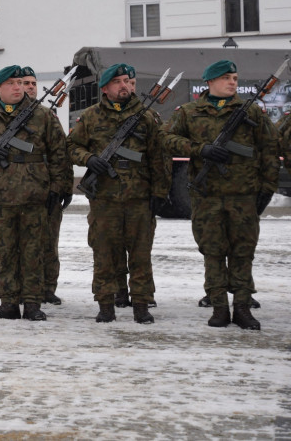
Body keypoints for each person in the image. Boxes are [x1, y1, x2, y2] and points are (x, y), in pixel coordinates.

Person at [162, 60, 279, 330]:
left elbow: (270, 149)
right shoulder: (189, 112)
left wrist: (266, 189)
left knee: (243, 253)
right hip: (207, 196)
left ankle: (242, 307)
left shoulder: (252, 112)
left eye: (235, 78)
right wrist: (200, 149)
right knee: (212, 252)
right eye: (226, 78)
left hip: (243, 195)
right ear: (210, 82)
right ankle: (218, 307)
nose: (233, 82)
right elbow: (166, 140)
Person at [0, 65, 70, 321]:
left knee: (33, 251)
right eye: (12, 83)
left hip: (35, 195)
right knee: (4, 251)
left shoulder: (42, 115)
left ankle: (32, 303)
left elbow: (59, 153)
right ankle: (8, 302)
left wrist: (58, 188)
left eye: (21, 83)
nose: (18, 88)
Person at [67, 63, 170, 324]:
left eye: (129, 81)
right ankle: (105, 304)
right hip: (104, 198)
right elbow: (71, 147)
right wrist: (89, 159)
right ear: (106, 87)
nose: (126, 86)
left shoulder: (148, 116)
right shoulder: (90, 117)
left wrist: (160, 192)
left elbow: (160, 157)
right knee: (104, 254)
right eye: (119, 82)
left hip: (139, 198)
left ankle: (141, 305)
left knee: (140, 255)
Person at [21, 66, 72, 305]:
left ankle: (47, 287)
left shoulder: (48, 116)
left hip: (46, 190)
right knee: (18, 243)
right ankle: (21, 288)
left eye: (33, 83)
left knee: (48, 242)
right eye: (25, 83)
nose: (29, 87)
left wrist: (64, 188)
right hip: (16, 191)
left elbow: (62, 154)